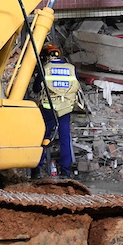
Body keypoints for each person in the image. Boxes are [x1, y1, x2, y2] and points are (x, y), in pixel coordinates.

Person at [35, 44, 80, 178]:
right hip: (66, 108)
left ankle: (36, 169)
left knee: (44, 137)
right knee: (65, 138)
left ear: (47, 57)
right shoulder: (71, 68)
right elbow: (76, 86)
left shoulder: (46, 68)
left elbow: (36, 88)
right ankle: (65, 171)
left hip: (49, 109)